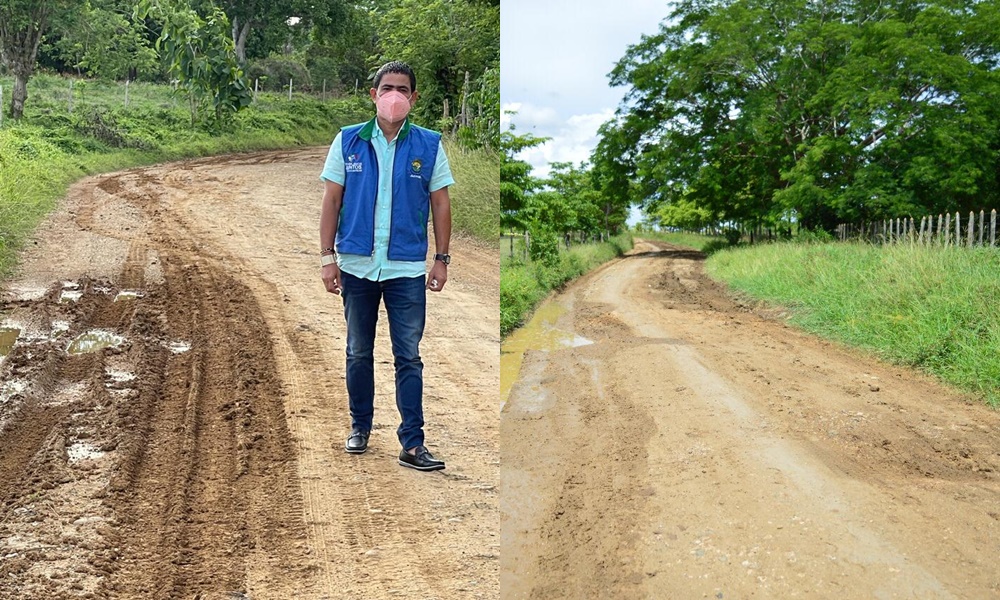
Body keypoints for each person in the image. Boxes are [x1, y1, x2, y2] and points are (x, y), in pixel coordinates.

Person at [319, 61, 453, 472]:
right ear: (374, 94)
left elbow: (441, 203)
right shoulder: (348, 140)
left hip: (407, 269)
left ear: (413, 98)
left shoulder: (428, 145)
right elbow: (331, 201)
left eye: (403, 89)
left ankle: (412, 444)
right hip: (357, 264)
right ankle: (360, 427)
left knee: (408, 356)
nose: (394, 95)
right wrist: (328, 258)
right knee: (358, 351)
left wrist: (441, 259)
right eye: (387, 87)